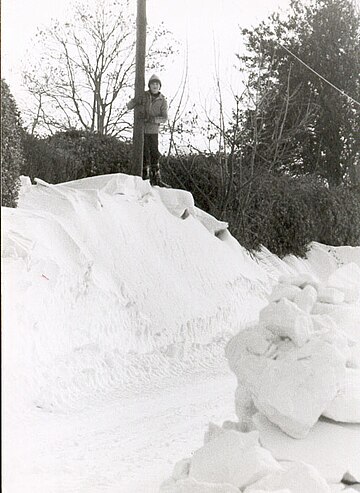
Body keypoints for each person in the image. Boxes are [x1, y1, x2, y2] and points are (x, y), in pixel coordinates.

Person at [127, 74, 168, 186]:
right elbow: (129, 105)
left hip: (153, 131)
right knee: (144, 153)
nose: (155, 86)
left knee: (154, 154)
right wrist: (135, 101)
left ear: (160, 86)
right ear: (149, 86)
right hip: (142, 130)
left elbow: (164, 118)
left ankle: (156, 178)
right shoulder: (144, 96)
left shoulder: (162, 100)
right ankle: (144, 177)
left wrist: (153, 119)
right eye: (153, 84)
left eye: (157, 84)